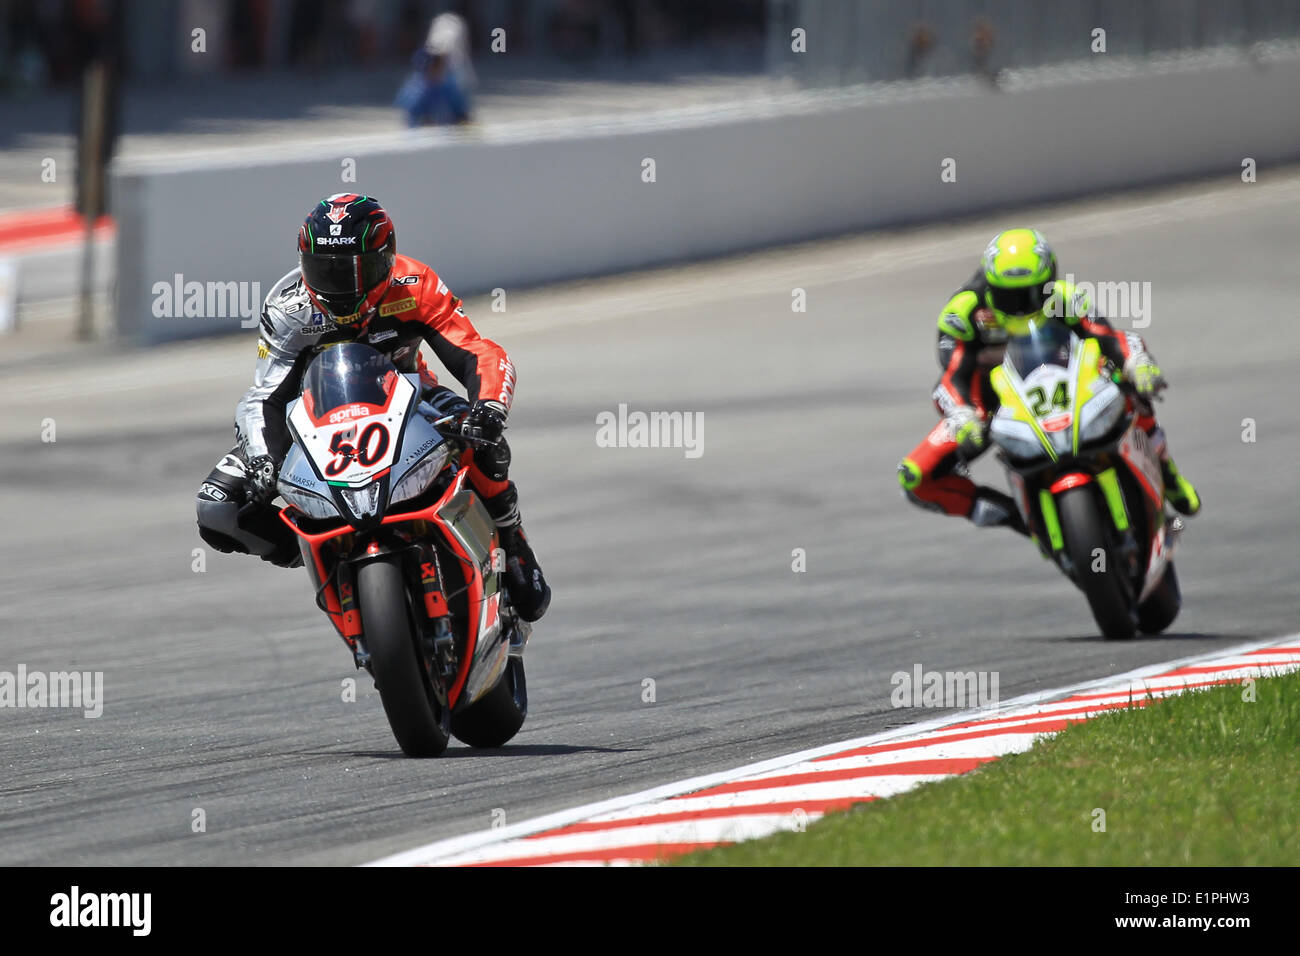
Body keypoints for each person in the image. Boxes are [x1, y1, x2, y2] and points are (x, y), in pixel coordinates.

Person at [195, 193, 550, 622]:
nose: (342, 284)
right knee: (217, 508)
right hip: (312, 418)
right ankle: (319, 555)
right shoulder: (288, 308)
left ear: (387, 259)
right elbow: (263, 397)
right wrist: (263, 460)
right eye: (326, 268)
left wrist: (490, 407)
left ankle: (511, 540)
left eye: (358, 269)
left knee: (483, 443)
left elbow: (477, 352)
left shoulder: (414, 284)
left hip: (410, 396)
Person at [897, 227, 1200, 533]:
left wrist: (1139, 364)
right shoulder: (962, 315)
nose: (1020, 306)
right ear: (990, 285)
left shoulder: (1065, 297)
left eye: (1031, 294)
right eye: (1007, 295)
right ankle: (1017, 517)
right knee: (916, 477)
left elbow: (1110, 338)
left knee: (1129, 380)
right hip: (994, 406)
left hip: (1070, 383)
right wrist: (962, 414)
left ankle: (1167, 473)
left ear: (1049, 281)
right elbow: (952, 377)